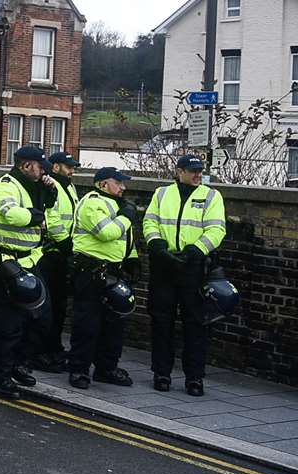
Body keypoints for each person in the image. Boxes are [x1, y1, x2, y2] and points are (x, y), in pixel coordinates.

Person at [143, 154, 227, 396]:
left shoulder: (211, 196)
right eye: (192, 171)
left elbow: (217, 229)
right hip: (165, 265)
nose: (198, 175)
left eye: (200, 170)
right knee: (161, 321)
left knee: (195, 324)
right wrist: (157, 244)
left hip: (194, 267)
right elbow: (150, 222)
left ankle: (194, 378)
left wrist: (195, 250)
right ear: (179, 172)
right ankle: (161, 374)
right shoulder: (161, 194)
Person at [0, 144, 53, 399]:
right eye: (39, 166)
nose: (42, 171)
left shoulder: (32, 186)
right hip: (7, 262)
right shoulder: (5, 185)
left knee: (38, 319)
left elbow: (47, 207)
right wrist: (37, 217)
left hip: (31, 260)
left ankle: (18, 365)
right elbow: (9, 214)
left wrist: (47, 191)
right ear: (26, 166)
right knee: (8, 325)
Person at [68, 167, 139, 389]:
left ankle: (106, 368)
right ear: (103, 184)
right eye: (118, 183)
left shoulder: (117, 204)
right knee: (87, 324)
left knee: (114, 324)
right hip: (90, 271)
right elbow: (106, 233)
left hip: (114, 271)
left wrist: (132, 258)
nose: (123, 187)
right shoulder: (92, 202)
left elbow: (126, 239)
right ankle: (79, 370)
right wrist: (126, 217)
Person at [27, 151, 79, 373]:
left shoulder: (70, 187)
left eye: (73, 166)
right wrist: (65, 242)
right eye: (68, 167)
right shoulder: (51, 187)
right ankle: (38, 353)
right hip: (50, 252)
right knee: (45, 307)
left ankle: (54, 347)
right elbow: (51, 219)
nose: (72, 170)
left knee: (59, 306)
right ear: (55, 167)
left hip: (62, 254)